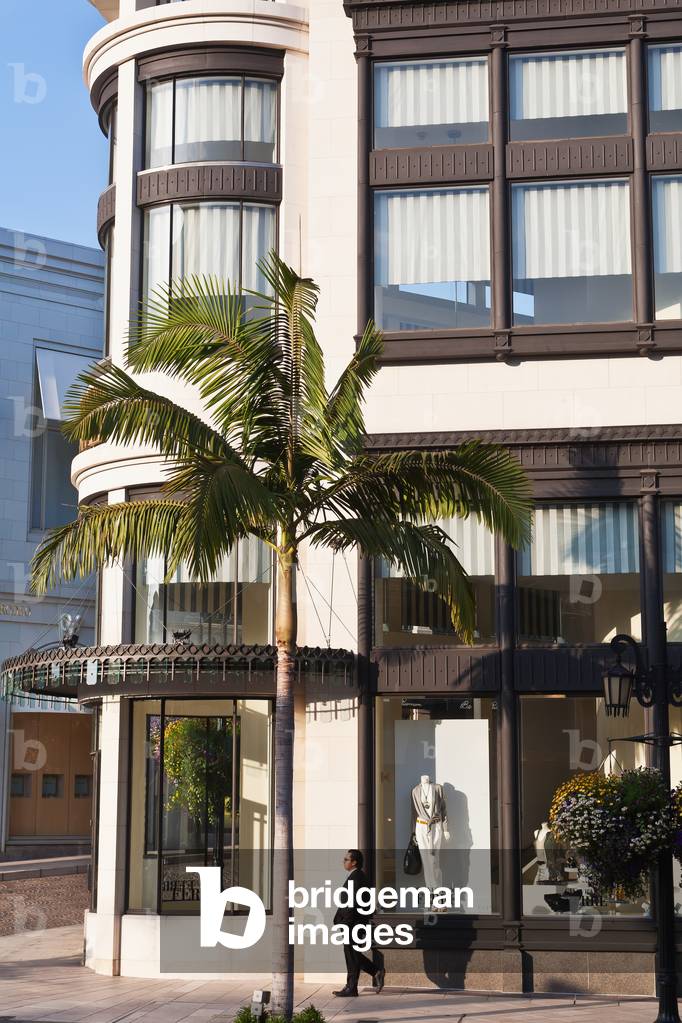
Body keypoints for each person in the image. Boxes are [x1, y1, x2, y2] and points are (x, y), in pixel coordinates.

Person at [332, 849, 386, 997]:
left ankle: (352, 986)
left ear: (354, 862)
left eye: (346, 859)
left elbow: (353, 903)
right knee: (352, 954)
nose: (343, 862)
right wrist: (338, 919)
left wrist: (345, 922)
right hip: (351, 922)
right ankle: (373, 973)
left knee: (351, 955)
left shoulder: (356, 878)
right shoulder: (355, 877)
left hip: (353, 923)